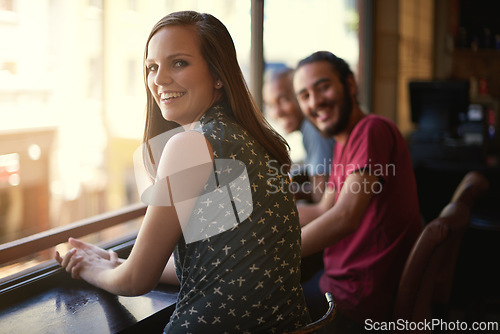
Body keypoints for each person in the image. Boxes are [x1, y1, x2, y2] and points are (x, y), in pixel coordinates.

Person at [55, 11, 310, 333]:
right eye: (151, 67)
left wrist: (89, 268)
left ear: (218, 74)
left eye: (178, 63)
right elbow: (216, 264)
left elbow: (136, 281)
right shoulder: (248, 139)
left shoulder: (190, 145)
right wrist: (118, 262)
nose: (159, 79)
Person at [293, 51, 422, 331]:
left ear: (349, 85)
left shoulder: (371, 130)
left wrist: (272, 252)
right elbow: (323, 209)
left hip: (355, 302)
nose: (315, 102)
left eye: (323, 87)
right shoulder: (344, 141)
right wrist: (266, 214)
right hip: (340, 286)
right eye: (304, 95)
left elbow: (345, 216)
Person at [263, 67, 335, 203]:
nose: (277, 112)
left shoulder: (313, 129)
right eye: (271, 105)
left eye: (283, 100)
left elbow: (322, 198)